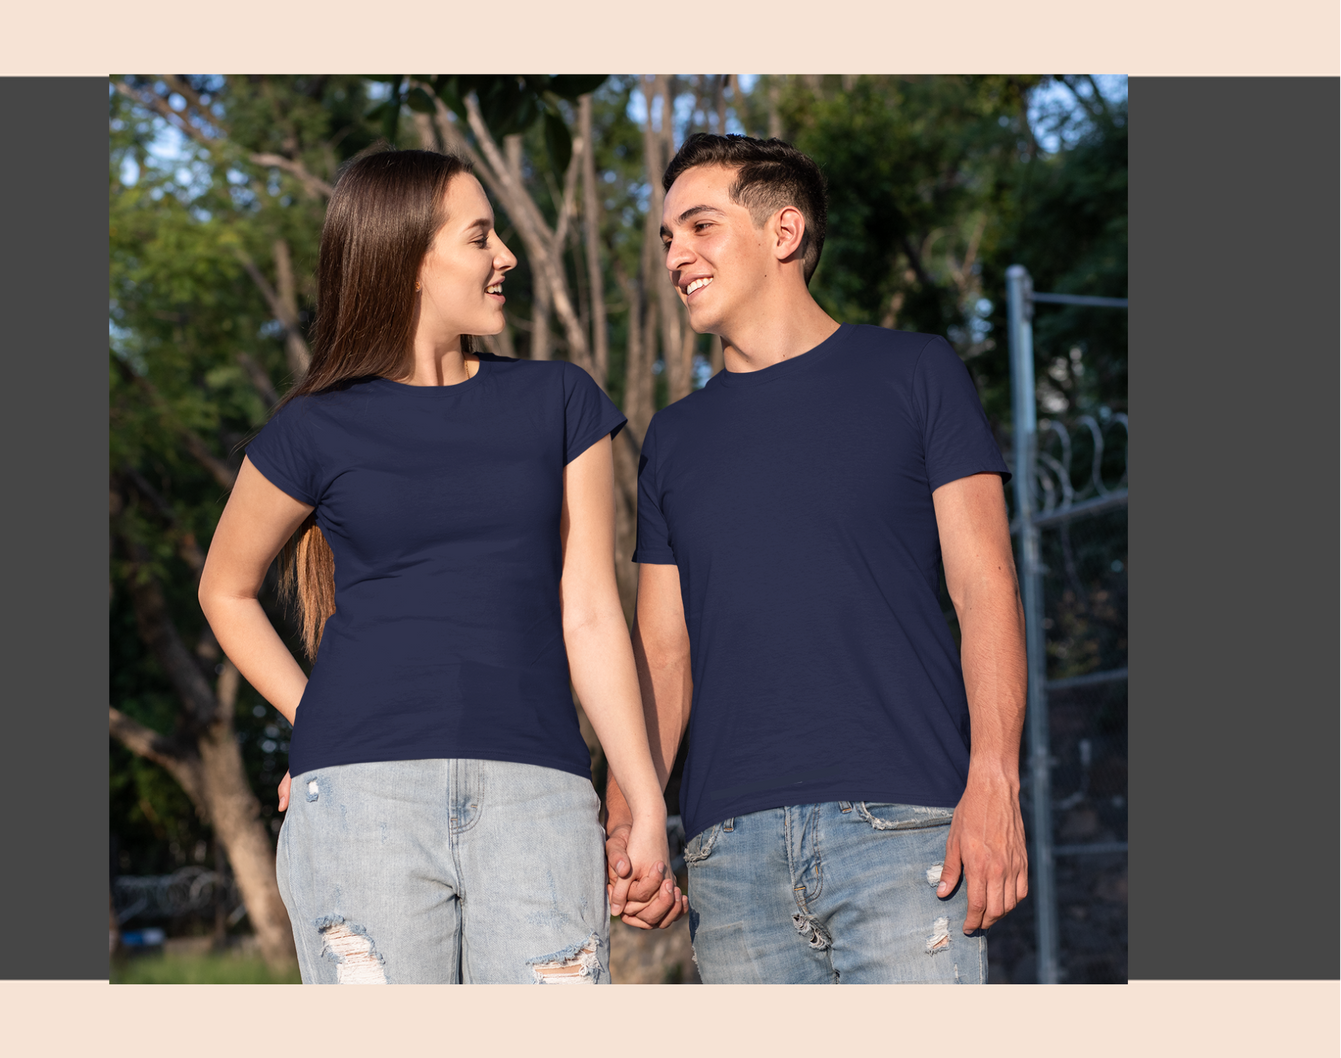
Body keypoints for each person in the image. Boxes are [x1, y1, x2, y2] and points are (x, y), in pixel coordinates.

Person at [198, 148, 672, 984]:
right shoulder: (313, 428)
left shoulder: (560, 400)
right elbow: (224, 589)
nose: (507, 257)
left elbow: (591, 610)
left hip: (539, 798)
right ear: (410, 258)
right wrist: (314, 719)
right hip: (360, 802)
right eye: (480, 237)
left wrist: (643, 797)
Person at [602, 134, 1029, 984]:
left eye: (700, 227)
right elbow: (662, 653)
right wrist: (627, 817)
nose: (675, 255)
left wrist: (995, 780)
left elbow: (984, 589)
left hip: (904, 833)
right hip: (729, 857)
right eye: (667, 238)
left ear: (784, 231)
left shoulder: (916, 372)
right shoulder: (673, 440)